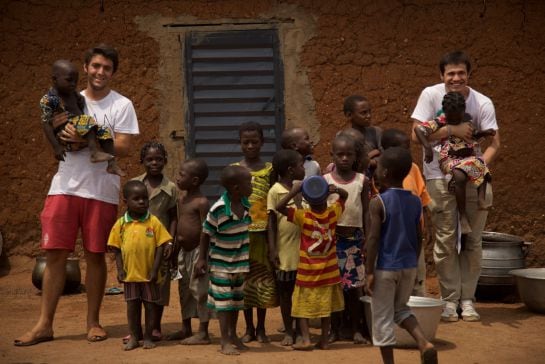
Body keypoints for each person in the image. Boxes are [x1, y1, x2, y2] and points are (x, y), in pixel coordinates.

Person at [14, 43, 139, 347]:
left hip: (102, 189)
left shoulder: (121, 105)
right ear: (85, 68)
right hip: (65, 186)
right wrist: (65, 136)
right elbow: (51, 127)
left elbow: (124, 146)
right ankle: (44, 324)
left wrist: (87, 140)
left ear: (113, 72)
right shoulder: (63, 98)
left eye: (107, 68)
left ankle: (93, 322)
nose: (100, 72)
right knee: (55, 255)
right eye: (95, 66)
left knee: (96, 255)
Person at [411, 50, 500, 322]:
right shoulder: (431, 95)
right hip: (439, 178)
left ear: (469, 75)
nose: (456, 78)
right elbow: (415, 135)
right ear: (442, 76)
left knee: (472, 240)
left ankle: (468, 299)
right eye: (451, 73)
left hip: (471, 176)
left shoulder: (483, 103)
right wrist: (452, 131)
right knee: (446, 240)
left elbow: (495, 143)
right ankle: (449, 300)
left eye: (461, 73)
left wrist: (477, 167)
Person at [365, 147, 437, 364]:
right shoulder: (415, 201)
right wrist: (413, 263)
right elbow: (418, 236)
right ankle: (424, 343)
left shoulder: (378, 202)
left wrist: (369, 271)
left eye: (379, 169)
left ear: (385, 173)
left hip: (386, 268)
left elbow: (373, 239)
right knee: (402, 310)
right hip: (409, 265)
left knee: (382, 318)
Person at [276, 176, 347, 351]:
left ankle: (306, 339)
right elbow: (344, 197)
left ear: (306, 199)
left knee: (301, 307)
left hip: (307, 273)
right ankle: (324, 339)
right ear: (325, 196)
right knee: (326, 309)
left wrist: (295, 190)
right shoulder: (333, 213)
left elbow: (279, 208)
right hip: (329, 273)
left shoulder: (303, 216)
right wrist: (335, 190)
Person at [414, 92, 496, 234]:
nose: (455, 119)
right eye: (451, 116)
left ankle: (481, 199)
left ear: (463, 111)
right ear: (446, 112)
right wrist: (427, 147)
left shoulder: (466, 120)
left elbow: (474, 135)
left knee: (480, 164)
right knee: (459, 175)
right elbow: (419, 129)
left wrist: (484, 133)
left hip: (468, 158)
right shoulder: (441, 121)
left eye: (458, 116)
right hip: (449, 158)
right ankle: (463, 216)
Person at [194, 165, 253, 355]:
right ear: (236, 187)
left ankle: (233, 336)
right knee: (224, 305)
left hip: (239, 264)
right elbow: (205, 234)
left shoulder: (245, 204)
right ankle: (224, 341)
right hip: (221, 265)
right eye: (248, 183)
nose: (252, 185)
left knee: (235, 302)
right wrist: (202, 259)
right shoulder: (219, 209)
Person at [107, 181, 171, 350]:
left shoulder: (153, 221)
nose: (142, 202)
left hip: (149, 275)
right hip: (130, 276)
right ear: (125, 201)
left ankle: (149, 337)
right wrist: (120, 271)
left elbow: (160, 246)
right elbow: (117, 250)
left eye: (144, 198)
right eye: (136, 199)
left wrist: (155, 270)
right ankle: (135, 337)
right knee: (132, 307)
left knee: (150, 306)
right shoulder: (121, 224)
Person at [232, 121, 277, 343]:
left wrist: (273, 243)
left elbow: (273, 205)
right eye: (245, 142)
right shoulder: (235, 170)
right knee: (244, 282)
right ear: (239, 143)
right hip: (241, 236)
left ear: (262, 142)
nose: (250, 146)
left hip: (263, 235)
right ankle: (248, 327)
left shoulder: (270, 171)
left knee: (262, 281)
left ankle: (261, 328)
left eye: (254, 142)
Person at [40, 59, 125, 177]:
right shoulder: (50, 99)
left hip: (82, 129)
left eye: (75, 81)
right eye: (69, 80)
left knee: (104, 131)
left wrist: (80, 99)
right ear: (55, 79)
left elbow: (79, 106)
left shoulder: (73, 93)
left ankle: (112, 164)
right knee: (86, 119)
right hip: (66, 137)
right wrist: (57, 147)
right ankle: (94, 152)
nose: (73, 84)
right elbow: (46, 124)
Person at [128, 142, 177, 342]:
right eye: (149, 159)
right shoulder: (135, 184)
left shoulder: (170, 187)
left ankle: (155, 326)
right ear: (142, 161)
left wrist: (171, 243)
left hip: (160, 245)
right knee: (137, 287)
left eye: (158, 159)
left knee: (160, 287)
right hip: (138, 247)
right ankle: (136, 330)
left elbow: (174, 217)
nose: (154, 162)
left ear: (165, 161)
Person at [323, 135, 370, 344]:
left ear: (355, 157)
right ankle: (335, 328)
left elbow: (366, 211)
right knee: (334, 287)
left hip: (355, 240)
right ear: (332, 155)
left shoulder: (362, 180)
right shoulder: (326, 181)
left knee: (355, 287)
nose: (344, 158)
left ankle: (356, 329)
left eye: (348, 154)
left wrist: (368, 238)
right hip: (332, 240)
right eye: (339, 154)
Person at [381, 128, 432, 296]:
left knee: (417, 278)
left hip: (413, 237)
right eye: (402, 148)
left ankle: (419, 313)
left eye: (408, 148)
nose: (407, 153)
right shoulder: (382, 174)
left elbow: (422, 200)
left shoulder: (414, 169)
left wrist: (427, 228)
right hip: (390, 240)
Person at [167, 158, 212, 345]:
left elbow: (205, 230)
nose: (177, 178)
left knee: (200, 291)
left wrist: (202, 258)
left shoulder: (201, 202)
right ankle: (186, 328)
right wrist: (173, 246)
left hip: (196, 253)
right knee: (184, 289)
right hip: (182, 252)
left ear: (194, 181)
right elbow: (178, 222)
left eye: (181, 175)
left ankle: (203, 332)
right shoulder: (181, 199)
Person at [267, 149, 306, 346]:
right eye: (301, 165)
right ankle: (289, 330)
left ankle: (301, 330)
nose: (304, 168)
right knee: (286, 294)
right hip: (285, 252)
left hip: (304, 251)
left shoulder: (306, 189)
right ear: (291, 170)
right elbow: (272, 222)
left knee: (301, 294)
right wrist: (273, 249)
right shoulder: (275, 191)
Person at [343, 95, 382, 173]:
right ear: (349, 115)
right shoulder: (343, 137)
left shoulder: (376, 132)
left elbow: (386, 156)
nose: (369, 116)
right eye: (363, 113)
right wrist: (374, 154)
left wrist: (370, 162)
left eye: (370, 112)